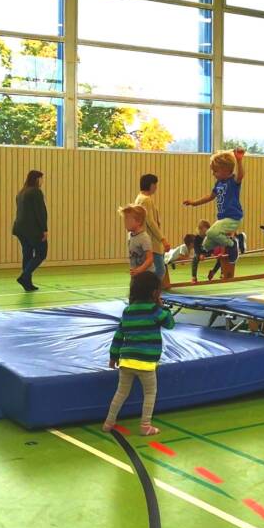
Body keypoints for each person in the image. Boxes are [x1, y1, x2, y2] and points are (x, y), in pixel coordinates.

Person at [103, 271, 175, 436]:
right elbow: (170, 324)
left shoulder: (128, 311)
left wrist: (113, 357)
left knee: (121, 393)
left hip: (127, 360)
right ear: (155, 293)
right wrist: (163, 307)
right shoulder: (155, 310)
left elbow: (119, 335)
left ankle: (108, 422)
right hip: (146, 362)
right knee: (150, 393)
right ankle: (145, 426)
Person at [183, 148, 247, 268]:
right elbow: (210, 196)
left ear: (226, 170)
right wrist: (194, 203)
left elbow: (241, 175)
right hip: (222, 219)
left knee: (211, 232)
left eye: (215, 171)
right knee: (206, 244)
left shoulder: (232, 181)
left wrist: (239, 161)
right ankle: (222, 246)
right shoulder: (218, 184)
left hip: (233, 218)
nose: (213, 174)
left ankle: (233, 243)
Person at [11, 170, 48, 291]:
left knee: (27, 254)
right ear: (37, 179)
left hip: (20, 228)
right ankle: (24, 276)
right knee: (41, 253)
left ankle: (27, 282)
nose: (42, 181)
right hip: (32, 229)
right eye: (41, 179)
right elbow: (40, 212)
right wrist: (44, 229)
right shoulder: (36, 192)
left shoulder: (21, 192)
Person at [134, 174, 170, 280]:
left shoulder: (139, 198)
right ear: (151, 185)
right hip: (151, 241)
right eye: (155, 184)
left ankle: (150, 290)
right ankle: (153, 291)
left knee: (148, 269)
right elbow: (151, 222)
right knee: (160, 269)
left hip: (144, 240)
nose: (156, 187)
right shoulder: (146, 200)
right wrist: (163, 239)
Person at [120, 205, 153, 277]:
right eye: (125, 220)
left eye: (128, 221)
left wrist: (139, 270)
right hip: (135, 273)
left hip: (145, 275)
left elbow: (150, 259)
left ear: (138, 222)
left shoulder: (144, 238)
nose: (125, 223)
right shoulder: (130, 235)